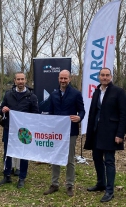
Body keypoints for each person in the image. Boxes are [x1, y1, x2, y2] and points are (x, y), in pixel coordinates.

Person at [83, 68, 126, 202]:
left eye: (107, 75)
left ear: (111, 77)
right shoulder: (97, 91)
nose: (105, 77)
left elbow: (124, 114)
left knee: (109, 161)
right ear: (99, 77)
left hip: (111, 133)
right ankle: (101, 183)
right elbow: (93, 112)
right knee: (96, 158)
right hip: (96, 131)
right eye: (102, 75)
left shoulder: (118, 92)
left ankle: (110, 190)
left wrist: (120, 133)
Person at [43, 69, 85, 197]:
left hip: (71, 131)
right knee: (55, 157)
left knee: (69, 159)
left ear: (70, 79)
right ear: (58, 79)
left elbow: (82, 111)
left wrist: (79, 118)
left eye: (65, 78)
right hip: (56, 132)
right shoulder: (54, 94)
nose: (63, 81)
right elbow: (50, 111)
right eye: (61, 78)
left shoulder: (76, 94)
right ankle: (54, 184)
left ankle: (69, 185)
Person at [0, 72, 39, 188]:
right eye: (18, 79)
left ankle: (22, 178)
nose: (20, 81)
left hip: (24, 131)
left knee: (23, 154)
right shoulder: (8, 94)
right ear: (14, 81)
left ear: (25, 81)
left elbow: (35, 114)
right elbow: (0, 110)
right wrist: (3, 110)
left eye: (22, 79)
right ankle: (7, 175)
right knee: (7, 152)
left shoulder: (32, 96)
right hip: (9, 128)